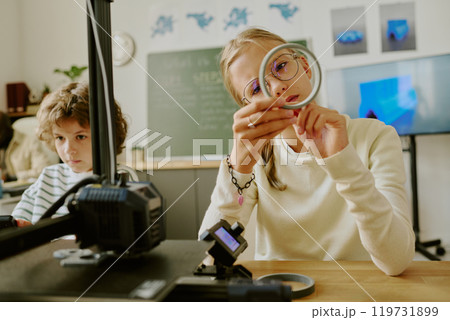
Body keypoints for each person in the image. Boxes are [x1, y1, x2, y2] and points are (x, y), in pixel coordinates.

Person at [199, 28, 415, 276]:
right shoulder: (255, 158)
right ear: (249, 108)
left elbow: (396, 260)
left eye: (280, 66)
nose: (277, 87)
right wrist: (237, 171)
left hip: (360, 289)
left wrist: (342, 160)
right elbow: (209, 261)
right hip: (281, 291)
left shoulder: (376, 136)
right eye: (257, 88)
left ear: (305, 66)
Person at [11, 82, 129, 227]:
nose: (68, 150)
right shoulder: (48, 177)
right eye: (60, 138)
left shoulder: (120, 180)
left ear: (106, 136)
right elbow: (14, 226)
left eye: (80, 137)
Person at [0, 111, 59, 182]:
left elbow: (43, 170)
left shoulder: (29, 142)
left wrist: (13, 177)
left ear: (6, 129)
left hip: (21, 188)